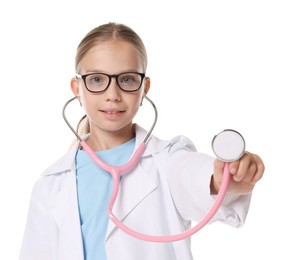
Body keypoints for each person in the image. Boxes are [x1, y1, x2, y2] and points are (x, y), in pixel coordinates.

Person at [19, 22, 265, 260]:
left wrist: (224, 178)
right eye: (96, 80)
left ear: (144, 87)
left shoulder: (167, 160)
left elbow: (194, 176)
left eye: (126, 79)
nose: (112, 95)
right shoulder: (51, 184)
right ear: (77, 88)